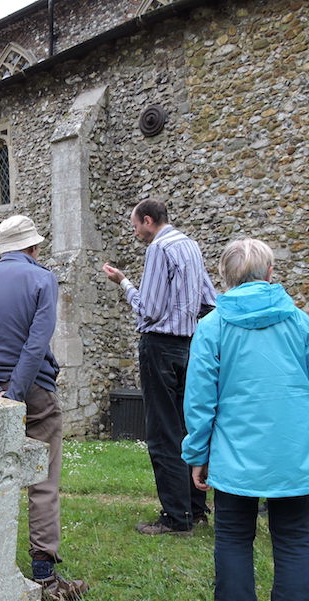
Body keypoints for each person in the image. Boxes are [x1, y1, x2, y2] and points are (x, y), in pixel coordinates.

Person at [181, 238, 309, 601]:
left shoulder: (213, 327)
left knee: (234, 539)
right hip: (295, 453)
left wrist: (197, 454)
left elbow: (200, 399)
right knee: (293, 541)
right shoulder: (299, 323)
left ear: (226, 278)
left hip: (236, 456)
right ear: (270, 274)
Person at [0, 214, 88, 601]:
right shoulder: (42, 279)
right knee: (42, 480)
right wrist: (17, 392)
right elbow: (36, 342)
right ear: (32, 247)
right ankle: (44, 575)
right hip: (36, 393)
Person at [102, 198, 217, 535]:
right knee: (188, 426)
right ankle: (196, 510)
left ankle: (175, 517)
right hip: (190, 345)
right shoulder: (191, 246)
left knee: (163, 432)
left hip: (160, 347)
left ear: (148, 221)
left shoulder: (158, 249)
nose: (135, 231)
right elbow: (209, 300)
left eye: (135, 225)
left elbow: (149, 310)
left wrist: (124, 283)